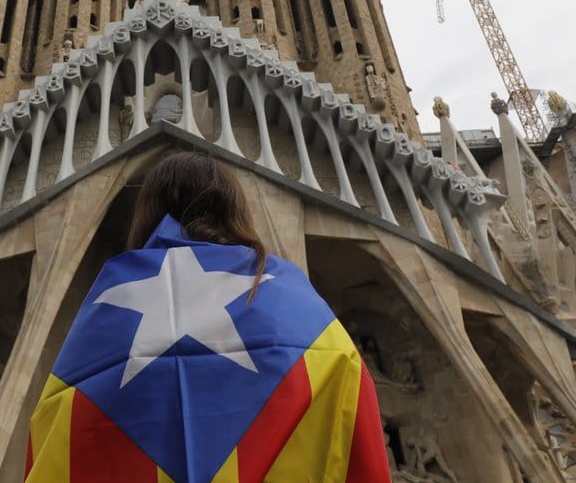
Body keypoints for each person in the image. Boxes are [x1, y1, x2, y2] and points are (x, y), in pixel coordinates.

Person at [25, 152, 390, 482]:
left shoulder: (106, 308)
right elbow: (352, 407)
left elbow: (53, 432)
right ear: (234, 210)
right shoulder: (292, 298)